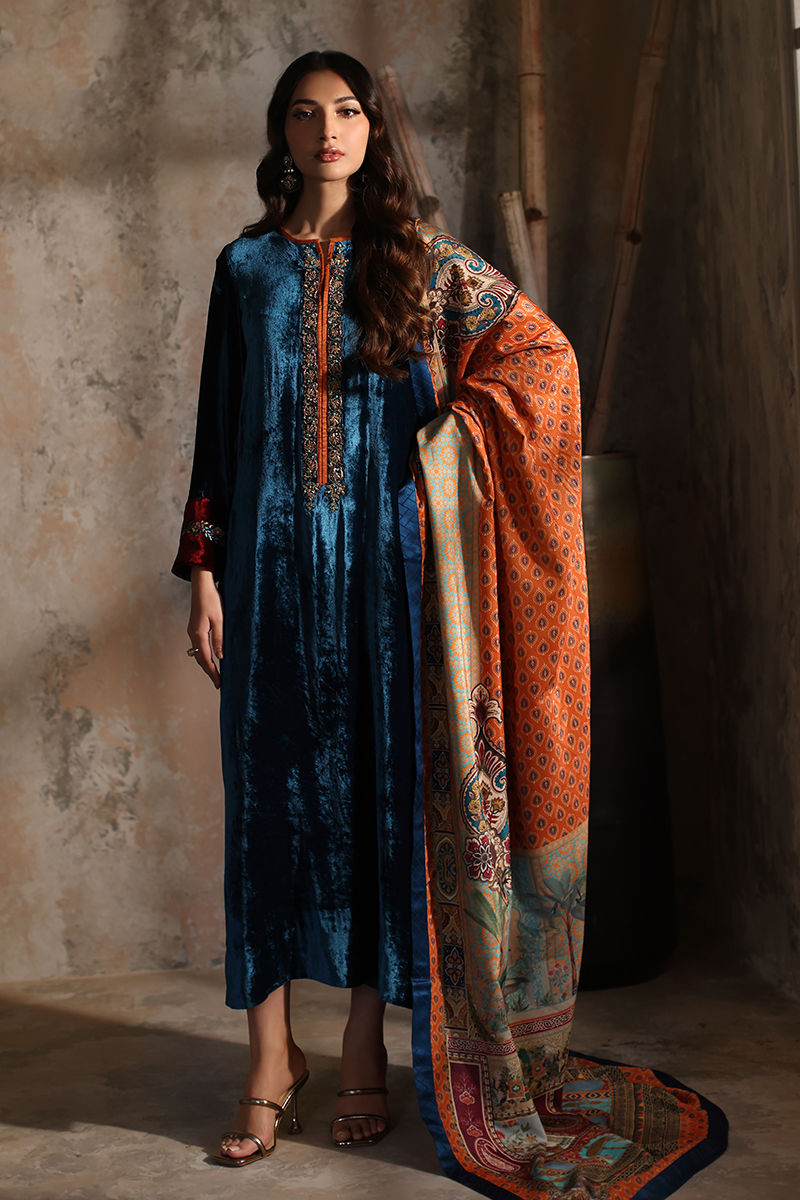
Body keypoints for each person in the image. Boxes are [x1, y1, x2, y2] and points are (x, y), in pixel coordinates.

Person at [174, 49, 726, 1198]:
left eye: (347, 111)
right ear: (280, 135)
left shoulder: (420, 263)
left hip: (391, 588)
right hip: (269, 584)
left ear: (373, 131)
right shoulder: (245, 269)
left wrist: (451, 449)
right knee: (266, 816)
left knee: (376, 816)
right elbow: (216, 436)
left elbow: (540, 358)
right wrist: (204, 574)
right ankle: (268, 1061)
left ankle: (359, 1051)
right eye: (304, 114)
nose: (327, 130)